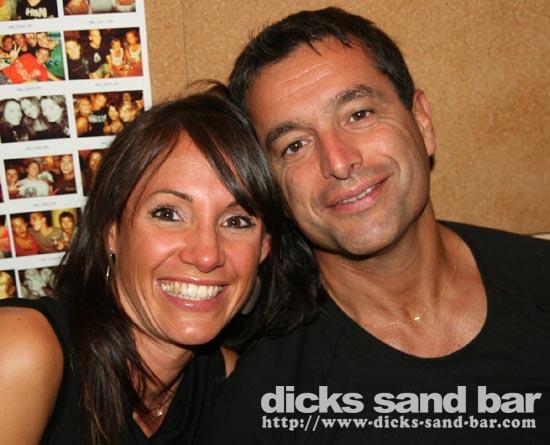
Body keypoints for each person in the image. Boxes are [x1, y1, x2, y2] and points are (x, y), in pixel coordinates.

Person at [201, 7, 550, 443]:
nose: (338, 162)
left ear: (421, 122)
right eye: (294, 145)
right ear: (273, 191)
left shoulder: (538, 281)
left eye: (359, 115)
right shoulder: (266, 403)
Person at [0, 83, 309, 444]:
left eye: (236, 221)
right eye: (168, 213)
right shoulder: (22, 349)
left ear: (264, 249)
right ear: (111, 230)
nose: (207, 254)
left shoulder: (225, 380)